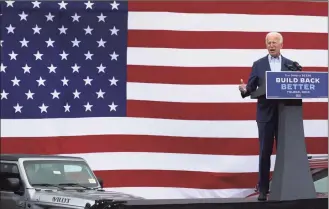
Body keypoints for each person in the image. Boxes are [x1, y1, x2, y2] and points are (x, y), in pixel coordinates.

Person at [238, 32, 294, 201]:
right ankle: (263, 189)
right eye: (268, 42)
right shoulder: (259, 65)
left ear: (281, 45)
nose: (271, 45)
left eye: (274, 42)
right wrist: (245, 90)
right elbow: (251, 86)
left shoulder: (291, 65)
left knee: (287, 153)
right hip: (265, 115)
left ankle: (288, 187)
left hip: (286, 115)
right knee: (265, 152)